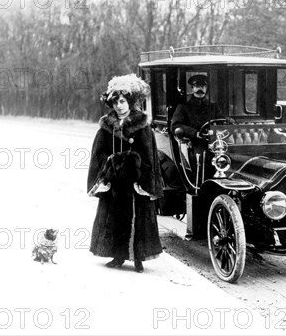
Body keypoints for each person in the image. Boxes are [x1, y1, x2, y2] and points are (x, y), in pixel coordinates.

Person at [87, 73, 164, 273]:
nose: (119, 105)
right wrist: (109, 165)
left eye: (123, 101)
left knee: (137, 219)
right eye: (116, 101)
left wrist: (133, 167)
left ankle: (138, 259)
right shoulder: (106, 127)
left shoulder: (142, 127)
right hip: (114, 183)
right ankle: (117, 256)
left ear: (130, 102)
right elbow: (98, 153)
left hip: (134, 182)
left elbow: (148, 156)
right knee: (115, 218)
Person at [170, 74, 225, 180]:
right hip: (195, 142)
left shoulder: (213, 107)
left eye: (203, 86)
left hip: (215, 142)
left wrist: (229, 121)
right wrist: (195, 133)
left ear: (206, 88)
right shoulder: (183, 107)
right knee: (202, 158)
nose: (200, 89)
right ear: (192, 88)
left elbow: (221, 120)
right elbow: (175, 125)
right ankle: (200, 186)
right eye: (197, 86)